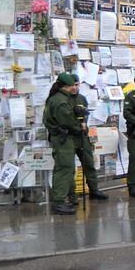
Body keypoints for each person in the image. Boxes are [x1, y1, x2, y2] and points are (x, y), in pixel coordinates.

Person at [44, 72, 86, 215]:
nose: (72, 89)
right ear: (65, 86)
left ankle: (67, 197)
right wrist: (79, 126)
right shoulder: (61, 101)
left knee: (66, 168)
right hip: (63, 139)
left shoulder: (54, 99)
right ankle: (59, 202)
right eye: (70, 86)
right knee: (64, 169)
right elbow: (67, 121)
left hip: (60, 138)